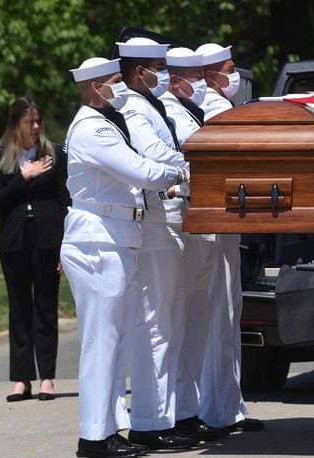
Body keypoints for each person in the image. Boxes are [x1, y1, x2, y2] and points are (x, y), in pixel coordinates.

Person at [63, 56, 189, 457]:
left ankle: (106, 431)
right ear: (97, 88)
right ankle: (93, 439)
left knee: (115, 343)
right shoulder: (92, 128)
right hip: (99, 241)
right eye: (116, 80)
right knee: (102, 343)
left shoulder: (106, 122)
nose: (122, 86)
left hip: (117, 237)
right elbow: (141, 171)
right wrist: (183, 173)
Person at [115, 37, 196, 450]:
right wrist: (188, 164)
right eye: (157, 66)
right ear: (137, 69)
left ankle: (169, 415)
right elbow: (152, 152)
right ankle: (148, 422)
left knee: (170, 321)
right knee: (154, 325)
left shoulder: (149, 103)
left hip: (171, 215)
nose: (163, 73)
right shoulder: (132, 104)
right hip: (155, 217)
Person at [194, 41, 265, 434]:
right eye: (229, 68)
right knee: (219, 317)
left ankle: (226, 407)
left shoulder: (218, 104)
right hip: (216, 225)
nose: (235, 75)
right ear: (209, 74)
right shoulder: (216, 107)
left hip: (224, 224)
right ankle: (216, 410)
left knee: (226, 317)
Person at [160, 46, 224, 441]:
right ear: (175, 78)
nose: (202, 84)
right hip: (177, 217)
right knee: (177, 321)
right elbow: (189, 152)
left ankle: (189, 409)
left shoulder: (188, 108)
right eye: (195, 77)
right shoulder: (166, 111)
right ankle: (174, 413)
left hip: (200, 216)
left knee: (197, 320)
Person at [0, 96, 70, 403]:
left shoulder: (55, 153)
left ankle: (47, 378)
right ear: (15, 124)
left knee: (45, 308)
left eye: (38, 121)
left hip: (48, 241)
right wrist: (24, 177)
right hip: (14, 243)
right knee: (19, 308)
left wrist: (65, 246)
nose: (35, 127)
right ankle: (21, 379)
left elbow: (65, 202)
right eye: (28, 122)